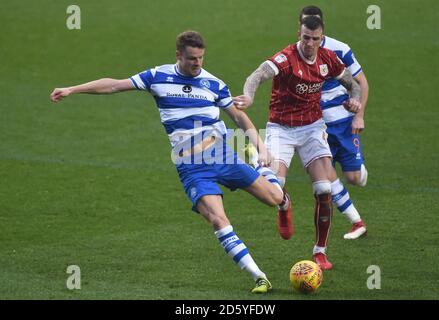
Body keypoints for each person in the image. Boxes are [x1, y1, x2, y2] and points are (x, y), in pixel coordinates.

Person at [50, 30, 291, 293]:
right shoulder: (157, 77)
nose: (197, 63)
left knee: (274, 198)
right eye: (191, 59)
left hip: (223, 154)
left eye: (200, 58)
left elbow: (239, 118)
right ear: (178, 55)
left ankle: (258, 166)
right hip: (191, 166)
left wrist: (261, 148)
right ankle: (259, 276)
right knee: (218, 221)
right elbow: (114, 85)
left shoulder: (215, 84)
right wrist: (72, 89)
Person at [233, 16, 362, 270]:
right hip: (281, 128)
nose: (310, 44)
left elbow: (353, 84)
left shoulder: (328, 59)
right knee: (274, 188)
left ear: (321, 38)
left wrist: (355, 100)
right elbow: (258, 75)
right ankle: (284, 203)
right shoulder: (286, 58)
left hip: (313, 128)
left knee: (324, 189)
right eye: (306, 38)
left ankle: (320, 252)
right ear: (299, 34)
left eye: (315, 39)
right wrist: (248, 96)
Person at [300, 6, 369, 240]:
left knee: (354, 178)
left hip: (343, 122)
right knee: (326, 177)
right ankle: (357, 222)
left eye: (315, 32)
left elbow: (361, 82)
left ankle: (357, 168)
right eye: (305, 33)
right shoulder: (295, 54)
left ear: (322, 28)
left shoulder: (340, 49)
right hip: (316, 125)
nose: (310, 38)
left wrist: (359, 114)